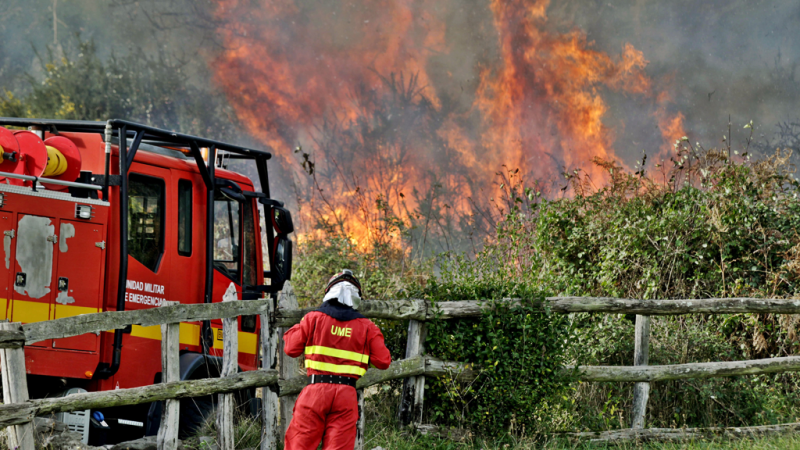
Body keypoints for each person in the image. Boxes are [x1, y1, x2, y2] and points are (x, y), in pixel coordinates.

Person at [283, 270, 392, 450]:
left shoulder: (313, 318)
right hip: (346, 396)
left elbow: (290, 349)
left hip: (315, 393)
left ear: (329, 292)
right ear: (356, 297)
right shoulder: (368, 327)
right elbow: (383, 361)